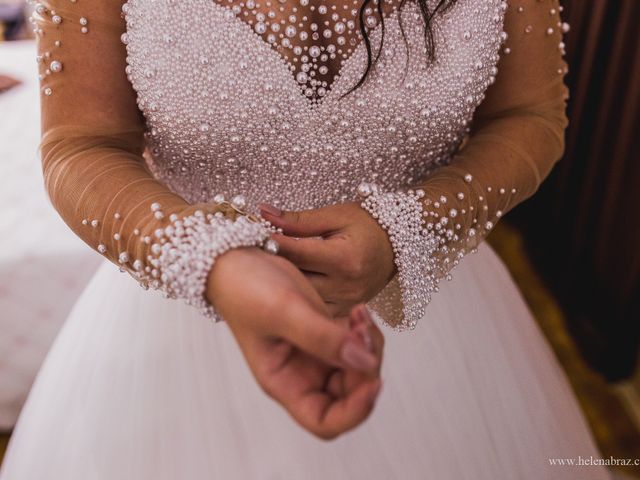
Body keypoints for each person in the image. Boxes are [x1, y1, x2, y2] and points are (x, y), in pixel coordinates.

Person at [1, 0, 611, 478]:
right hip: (183, 322)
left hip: (438, 312)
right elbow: (81, 145)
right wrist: (210, 260)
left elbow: (530, 115)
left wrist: (412, 228)